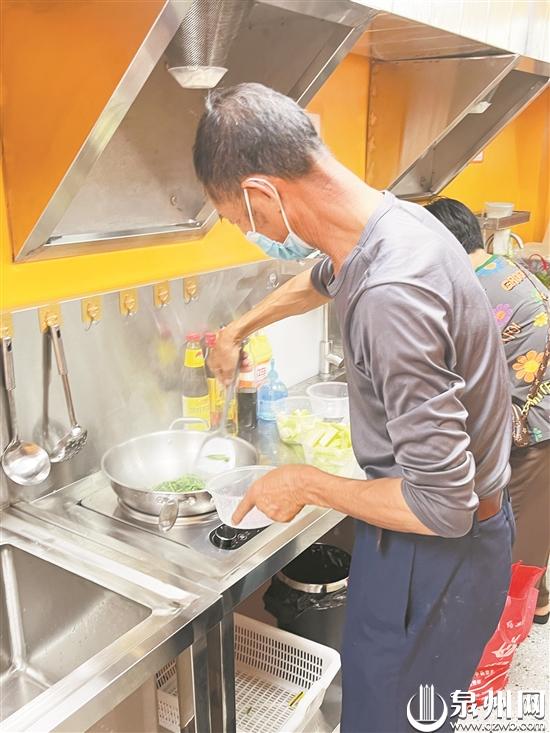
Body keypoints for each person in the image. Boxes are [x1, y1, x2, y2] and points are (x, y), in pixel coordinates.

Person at [193, 83, 514, 732]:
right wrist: (238, 329)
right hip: (425, 543)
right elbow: (321, 277)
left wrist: (305, 482)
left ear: (261, 194)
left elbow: (443, 505)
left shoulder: (394, 292)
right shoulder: (392, 223)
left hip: (436, 552)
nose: (251, 233)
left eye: (239, 220)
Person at [426, 197, 550, 624]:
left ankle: (504, 624)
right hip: (538, 413)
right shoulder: (502, 267)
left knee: (514, 537)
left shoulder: (472, 290)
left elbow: (450, 370)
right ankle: (535, 602)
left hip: (534, 427)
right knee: (533, 522)